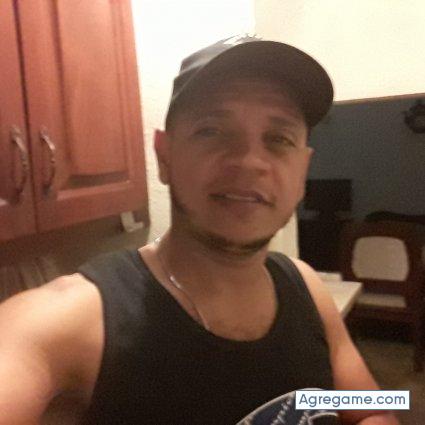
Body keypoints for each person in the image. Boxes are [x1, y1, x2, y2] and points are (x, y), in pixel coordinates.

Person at [0, 35, 399, 425]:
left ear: (302, 170)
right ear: (165, 156)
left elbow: (369, 405)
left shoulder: (307, 287)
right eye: (212, 130)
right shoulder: (68, 321)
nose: (250, 161)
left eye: (279, 138)